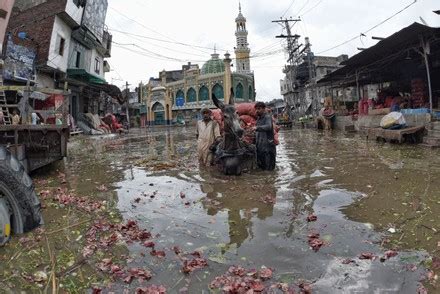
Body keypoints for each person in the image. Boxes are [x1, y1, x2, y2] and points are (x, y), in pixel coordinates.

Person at [252, 102, 276, 171]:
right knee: (261, 168)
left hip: (268, 148)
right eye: (256, 109)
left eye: (259, 109)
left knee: (268, 169)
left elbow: (268, 126)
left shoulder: (267, 117)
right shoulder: (258, 119)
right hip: (260, 148)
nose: (257, 111)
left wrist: (257, 128)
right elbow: (257, 133)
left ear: (264, 109)